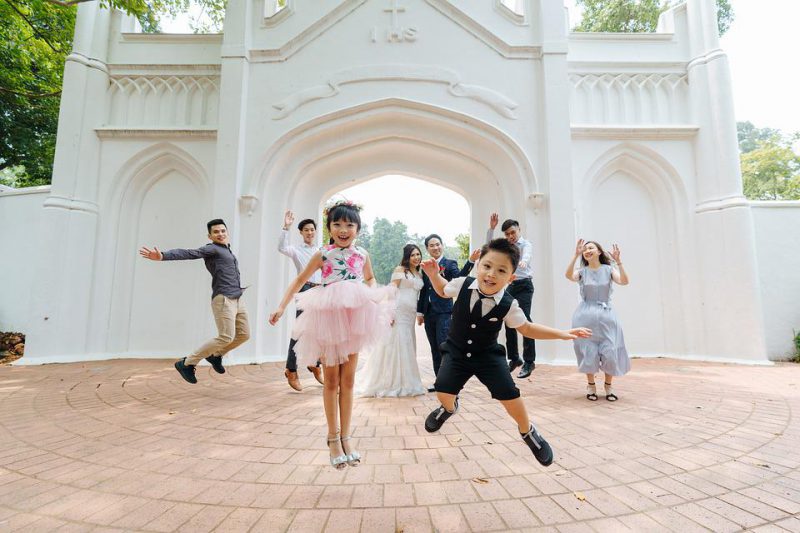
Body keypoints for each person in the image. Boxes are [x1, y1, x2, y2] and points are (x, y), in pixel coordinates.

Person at [420, 239, 591, 466]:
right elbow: (442, 289)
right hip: (456, 352)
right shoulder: (462, 284)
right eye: (487, 266)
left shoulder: (509, 304)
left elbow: (527, 328)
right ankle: (449, 408)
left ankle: (528, 431)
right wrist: (433, 275)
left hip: (488, 356)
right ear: (478, 265)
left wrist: (562, 334)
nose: (491, 274)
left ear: (511, 278)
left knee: (510, 395)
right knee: (443, 390)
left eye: (501, 270)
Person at [269, 200, 393, 469]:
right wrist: (281, 306)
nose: (343, 229)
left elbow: (370, 278)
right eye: (337, 224)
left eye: (349, 224)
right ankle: (332, 437)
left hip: (354, 319)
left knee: (348, 382)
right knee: (331, 381)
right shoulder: (323, 254)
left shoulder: (362, 254)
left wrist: (375, 298)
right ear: (329, 228)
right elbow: (300, 280)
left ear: (358, 228)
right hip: (327, 318)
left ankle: (347, 436)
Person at [139, 219, 250, 384]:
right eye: (216, 232)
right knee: (226, 336)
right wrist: (162, 256)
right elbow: (189, 253)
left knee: (244, 335)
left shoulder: (227, 250)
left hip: (238, 299)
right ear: (210, 235)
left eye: (222, 231)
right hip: (224, 299)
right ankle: (186, 363)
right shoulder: (211, 249)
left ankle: (216, 355)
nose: (220, 234)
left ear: (227, 232)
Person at [357, 244, 426, 397]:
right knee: (395, 342)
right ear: (407, 257)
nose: (416, 257)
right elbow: (392, 290)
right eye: (413, 255)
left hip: (410, 314)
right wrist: (391, 312)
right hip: (399, 310)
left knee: (407, 343)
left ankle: (407, 380)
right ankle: (391, 382)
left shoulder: (419, 273)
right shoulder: (400, 270)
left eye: (418, 254)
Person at [565, 239, 630, 401]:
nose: (587, 250)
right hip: (584, 316)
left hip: (606, 316)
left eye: (591, 248)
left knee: (610, 351)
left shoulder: (609, 269)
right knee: (588, 351)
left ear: (599, 252)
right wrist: (575, 256)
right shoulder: (582, 272)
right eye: (585, 249)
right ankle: (591, 386)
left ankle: (608, 387)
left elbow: (624, 281)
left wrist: (619, 262)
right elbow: (568, 276)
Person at [417, 234, 476, 389]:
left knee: (443, 346)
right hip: (429, 313)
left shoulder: (449, 264)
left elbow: (459, 279)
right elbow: (424, 291)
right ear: (427, 248)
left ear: (442, 245)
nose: (435, 247)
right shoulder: (425, 266)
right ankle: (439, 382)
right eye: (431, 245)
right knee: (434, 348)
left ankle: (450, 382)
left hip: (444, 312)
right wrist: (420, 312)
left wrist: (470, 262)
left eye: (438, 244)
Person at [484, 213, 537, 378]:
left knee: (524, 319)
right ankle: (514, 358)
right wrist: (491, 229)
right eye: (507, 234)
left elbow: (527, 254)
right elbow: (489, 247)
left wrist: (524, 261)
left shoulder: (526, 244)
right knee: (508, 319)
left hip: (524, 285)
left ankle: (529, 361)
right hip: (510, 285)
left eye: (512, 232)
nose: (510, 236)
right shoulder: (506, 247)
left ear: (519, 230)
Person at [278, 210, 324, 391]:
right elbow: (281, 247)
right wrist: (286, 227)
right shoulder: (296, 250)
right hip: (304, 289)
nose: (310, 233)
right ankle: (291, 369)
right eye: (306, 230)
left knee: (321, 330)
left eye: (312, 229)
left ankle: (315, 364)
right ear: (301, 233)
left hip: (322, 290)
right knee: (300, 330)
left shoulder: (321, 250)